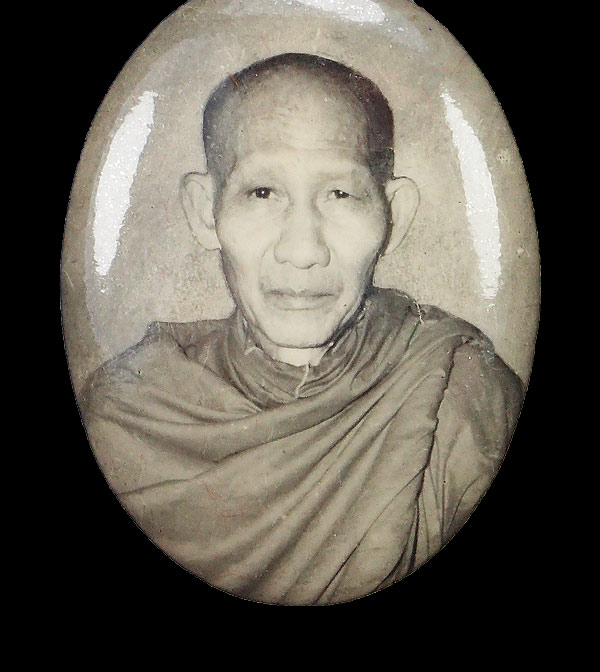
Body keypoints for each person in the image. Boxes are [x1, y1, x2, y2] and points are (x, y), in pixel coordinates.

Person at [82, 53, 523, 605]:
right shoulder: (128, 416)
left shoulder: (461, 394)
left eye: (340, 194)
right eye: (261, 193)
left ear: (393, 216)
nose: (303, 250)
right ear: (204, 211)